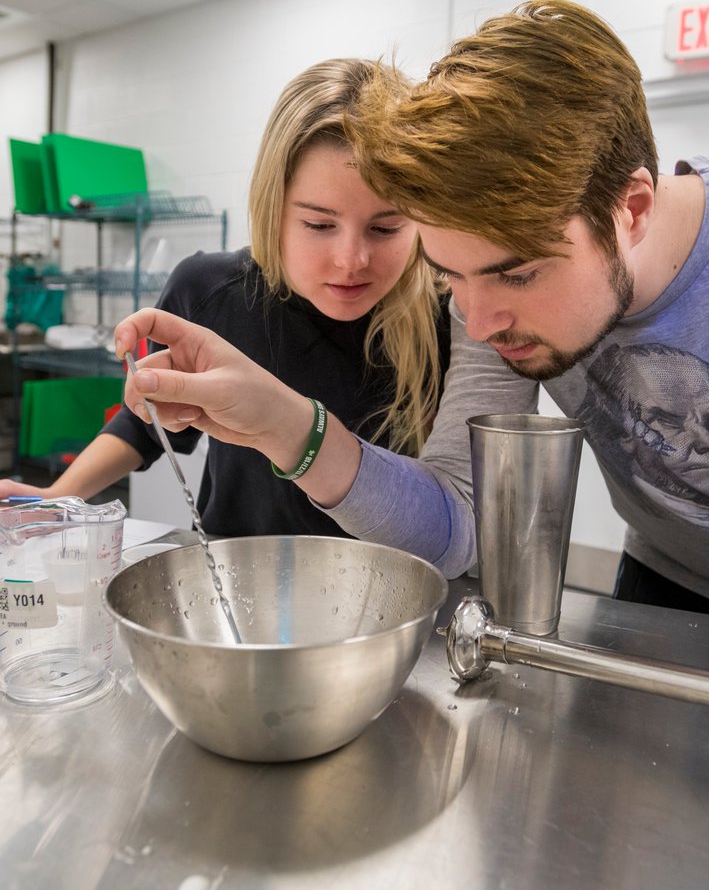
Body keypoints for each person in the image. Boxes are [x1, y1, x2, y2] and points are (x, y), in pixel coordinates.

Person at [113, 0, 709, 626]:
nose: (480, 323)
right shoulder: (486, 305)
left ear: (633, 209)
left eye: (518, 274)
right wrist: (287, 425)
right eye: (450, 275)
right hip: (663, 577)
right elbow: (454, 523)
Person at [0, 58, 449, 539]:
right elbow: (145, 426)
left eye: (386, 227)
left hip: (396, 587)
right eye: (318, 225)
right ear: (271, 207)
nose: (351, 259)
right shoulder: (213, 293)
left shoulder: (449, 312)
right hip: (240, 578)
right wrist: (60, 498)